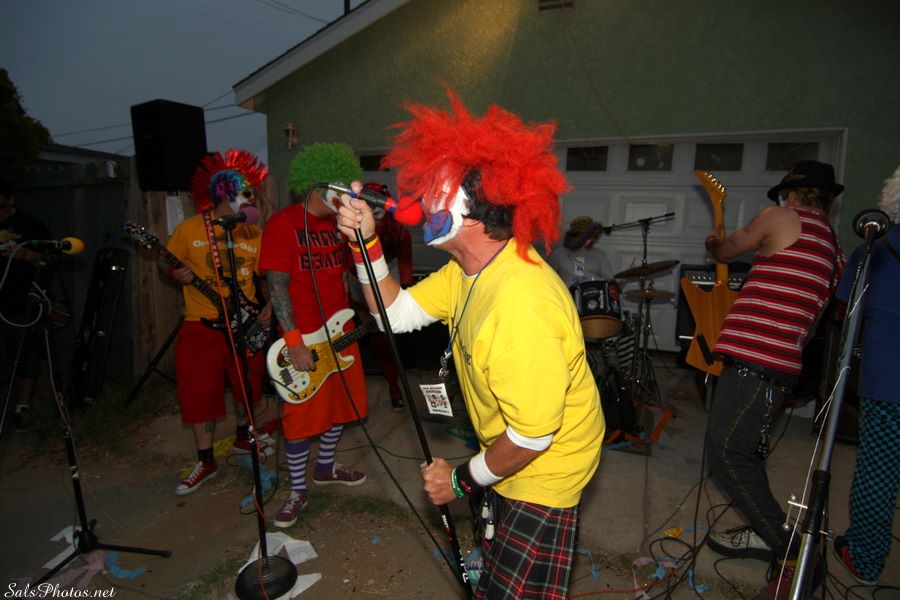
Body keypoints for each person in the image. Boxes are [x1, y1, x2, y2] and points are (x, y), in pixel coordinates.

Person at [337, 91, 604, 599]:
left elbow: (533, 437)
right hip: (504, 452)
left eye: (434, 189)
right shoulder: (468, 269)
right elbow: (395, 314)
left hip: (544, 472)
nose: (420, 201)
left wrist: (460, 481)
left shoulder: (521, 304)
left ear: (472, 212)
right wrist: (364, 243)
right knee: (494, 565)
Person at [703, 160, 844, 599]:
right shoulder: (833, 248)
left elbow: (726, 251)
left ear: (792, 194)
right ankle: (767, 531)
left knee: (727, 455)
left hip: (754, 363)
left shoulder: (780, 218)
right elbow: (816, 317)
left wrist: (714, 241)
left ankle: (794, 552)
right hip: (781, 366)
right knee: (746, 451)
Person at [260, 143, 369, 529]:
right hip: (304, 336)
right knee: (300, 419)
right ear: (315, 185)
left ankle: (325, 467)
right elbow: (277, 288)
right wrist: (294, 342)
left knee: (341, 406)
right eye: (337, 188)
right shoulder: (282, 224)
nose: (344, 196)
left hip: (342, 332)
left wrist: (371, 306)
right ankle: (296, 490)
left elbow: (346, 276)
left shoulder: (341, 227)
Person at [165, 150, 273, 496]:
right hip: (201, 323)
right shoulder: (189, 229)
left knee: (248, 386)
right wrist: (178, 274)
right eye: (245, 192)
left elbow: (268, 276)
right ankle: (206, 460)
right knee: (199, 393)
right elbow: (170, 266)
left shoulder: (252, 232)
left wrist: (270, 305)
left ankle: (243, 437)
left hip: (245, 324)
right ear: (225, 194)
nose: (250, 199)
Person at [831, 165, 900, 586]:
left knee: (879, 470)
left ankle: (865, 558)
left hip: (889, 384)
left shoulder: (874, 250)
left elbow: (845, 310)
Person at [0, 178, 53, 431]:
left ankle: (22, 408)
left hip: (20, 301)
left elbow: (52, 258)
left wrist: (24, 254)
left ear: (11, 200)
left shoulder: (29, 225)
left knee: (25, 354)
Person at [355, 181, 413, 411]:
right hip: (358, 286)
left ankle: (394, 387)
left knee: (389, 342)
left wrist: (404, 292)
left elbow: (405, 268)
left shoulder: (399, 231)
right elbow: (347, 264)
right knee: (375, 343)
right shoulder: (354, 226)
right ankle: (390, 387)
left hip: (389, 284)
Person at [547, 215, 615, 285]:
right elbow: (547, 279)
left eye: (591, 237)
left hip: (592, 290)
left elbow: (611, 280)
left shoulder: (599, 255)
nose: (590, 240)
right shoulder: (558, 254)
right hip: (567, 291)